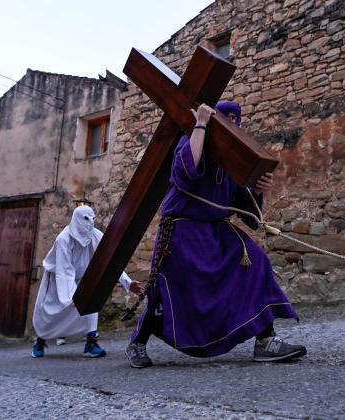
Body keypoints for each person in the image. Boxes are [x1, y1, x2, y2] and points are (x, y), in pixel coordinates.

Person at [125, 101, 306, 368]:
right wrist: (199, 124)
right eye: (226, 119)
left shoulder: (234, 159)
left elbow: (247, 212)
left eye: (236, 120)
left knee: (256, 262)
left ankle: (266, 341)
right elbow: (185, 173)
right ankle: (138, 342)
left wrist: (257, 188)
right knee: (166, 288)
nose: (232, 124)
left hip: (218, 231)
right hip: (182, 230)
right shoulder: (191, 139)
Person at [31, 205, 142, 358]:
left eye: (92, 219)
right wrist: (70, 297)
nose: (90, 222)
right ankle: (40, 340)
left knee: (91, 303)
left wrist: (128, 283)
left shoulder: (95, 236)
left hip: (81, 278)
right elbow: (65, 271)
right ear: (76, 219)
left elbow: (110, 260)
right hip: (58, 280)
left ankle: (91, 342)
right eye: (85, 219)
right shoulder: (64, 239)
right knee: (50, 311)